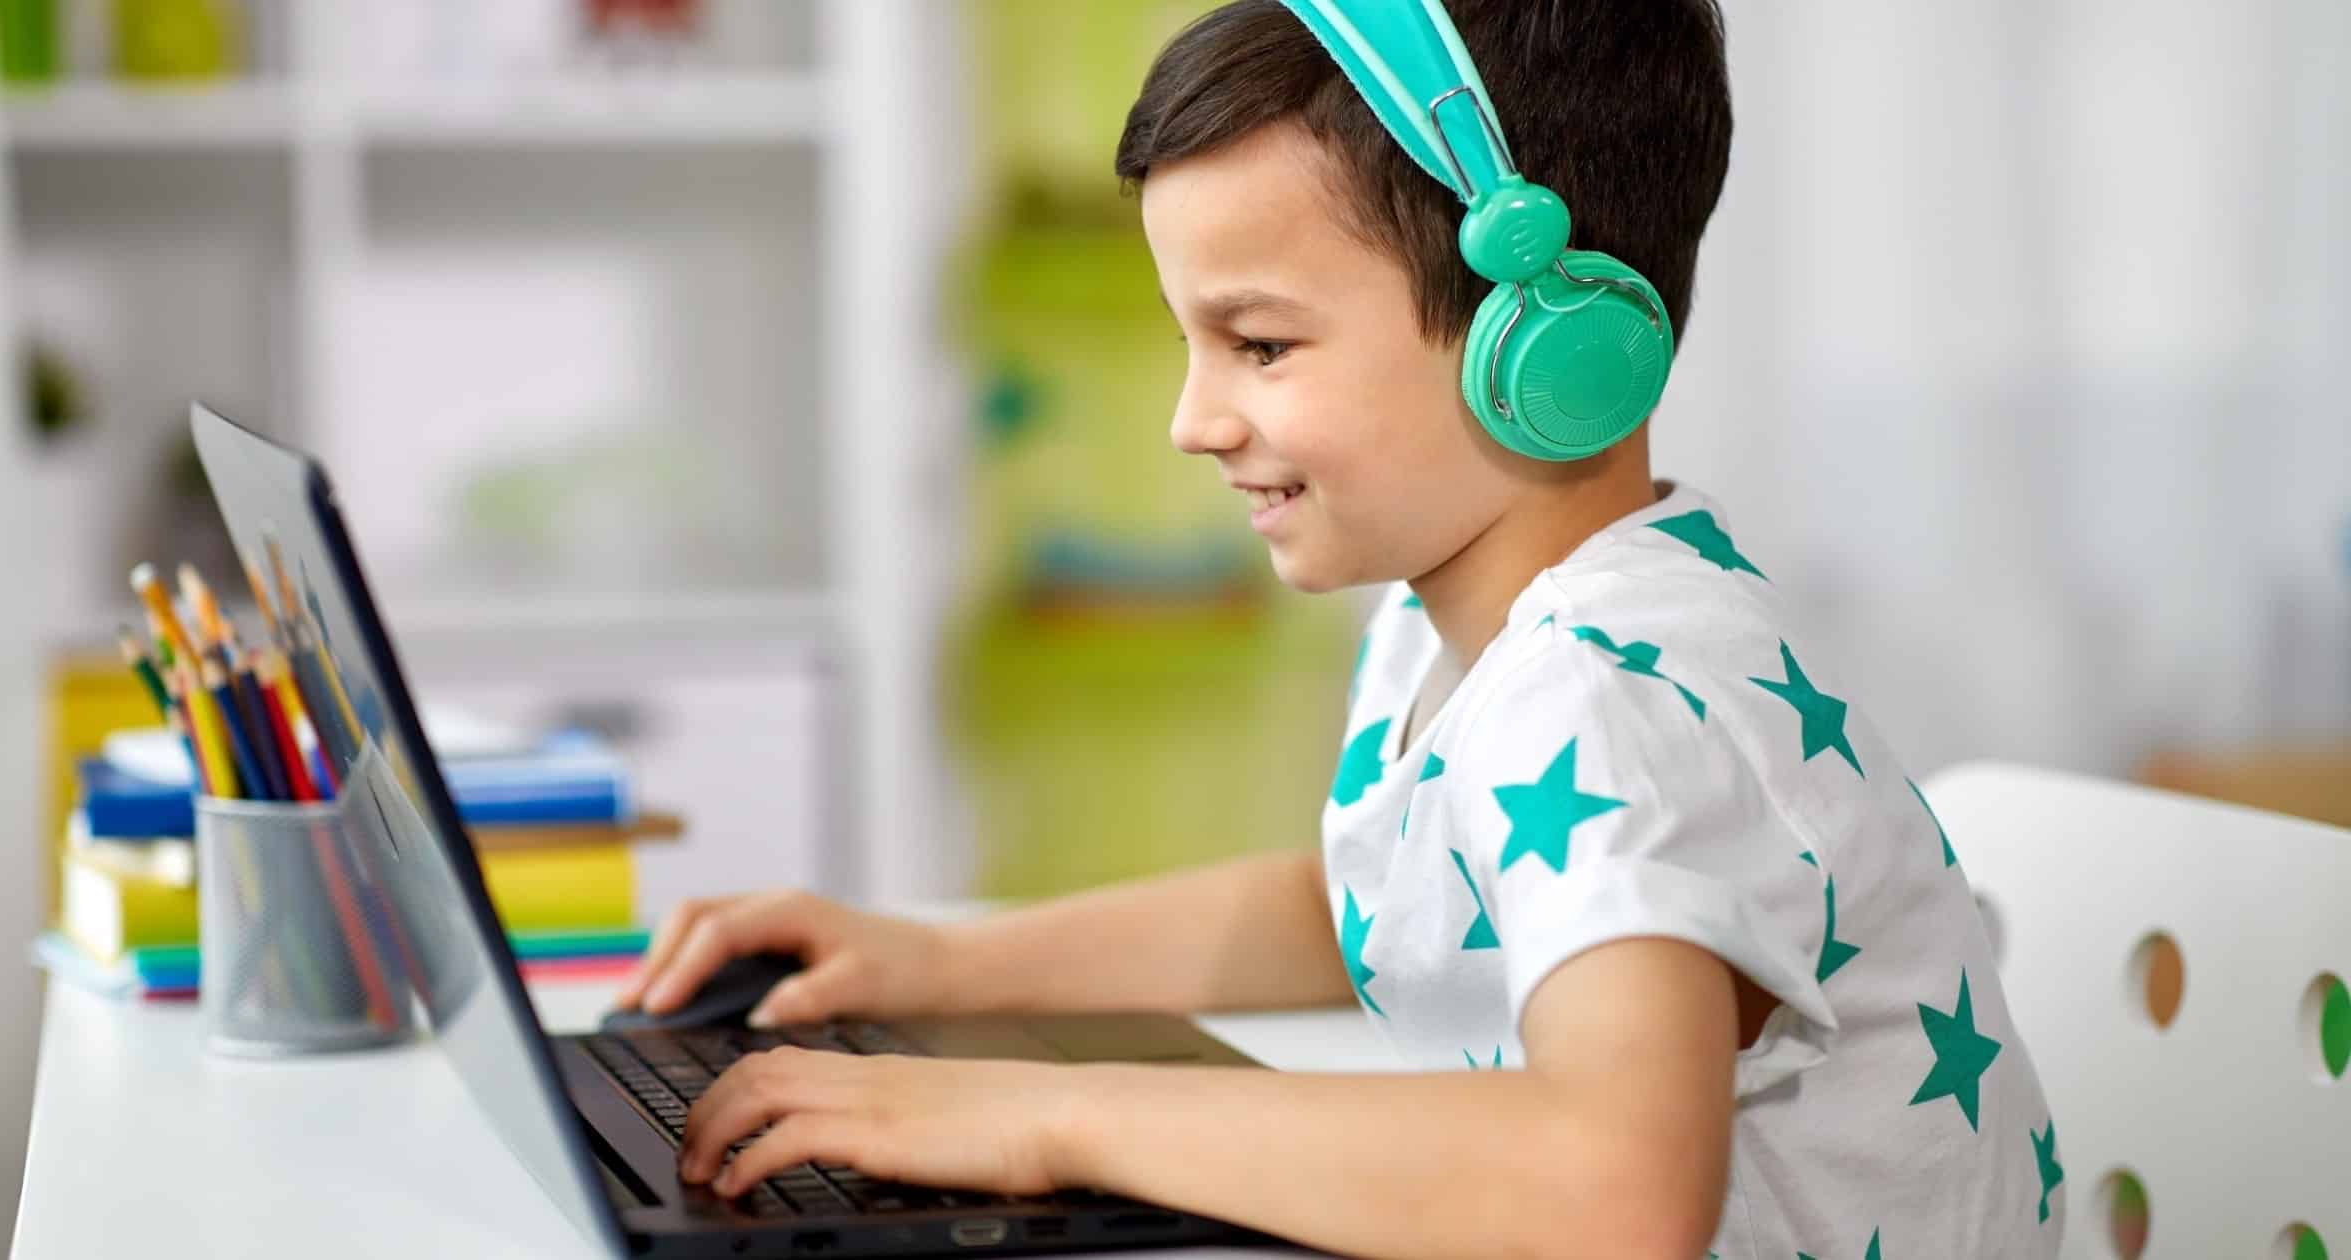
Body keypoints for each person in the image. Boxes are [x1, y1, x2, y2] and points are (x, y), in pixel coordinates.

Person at [615, 2, 2063, 1254]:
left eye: (1260, 344)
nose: (1195, 420)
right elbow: (1374, 907)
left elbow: (1618, 1195)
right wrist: (938, 966)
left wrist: (1043, 1116)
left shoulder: (1613, 697)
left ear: (1552, 346)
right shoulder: (1461, 625)